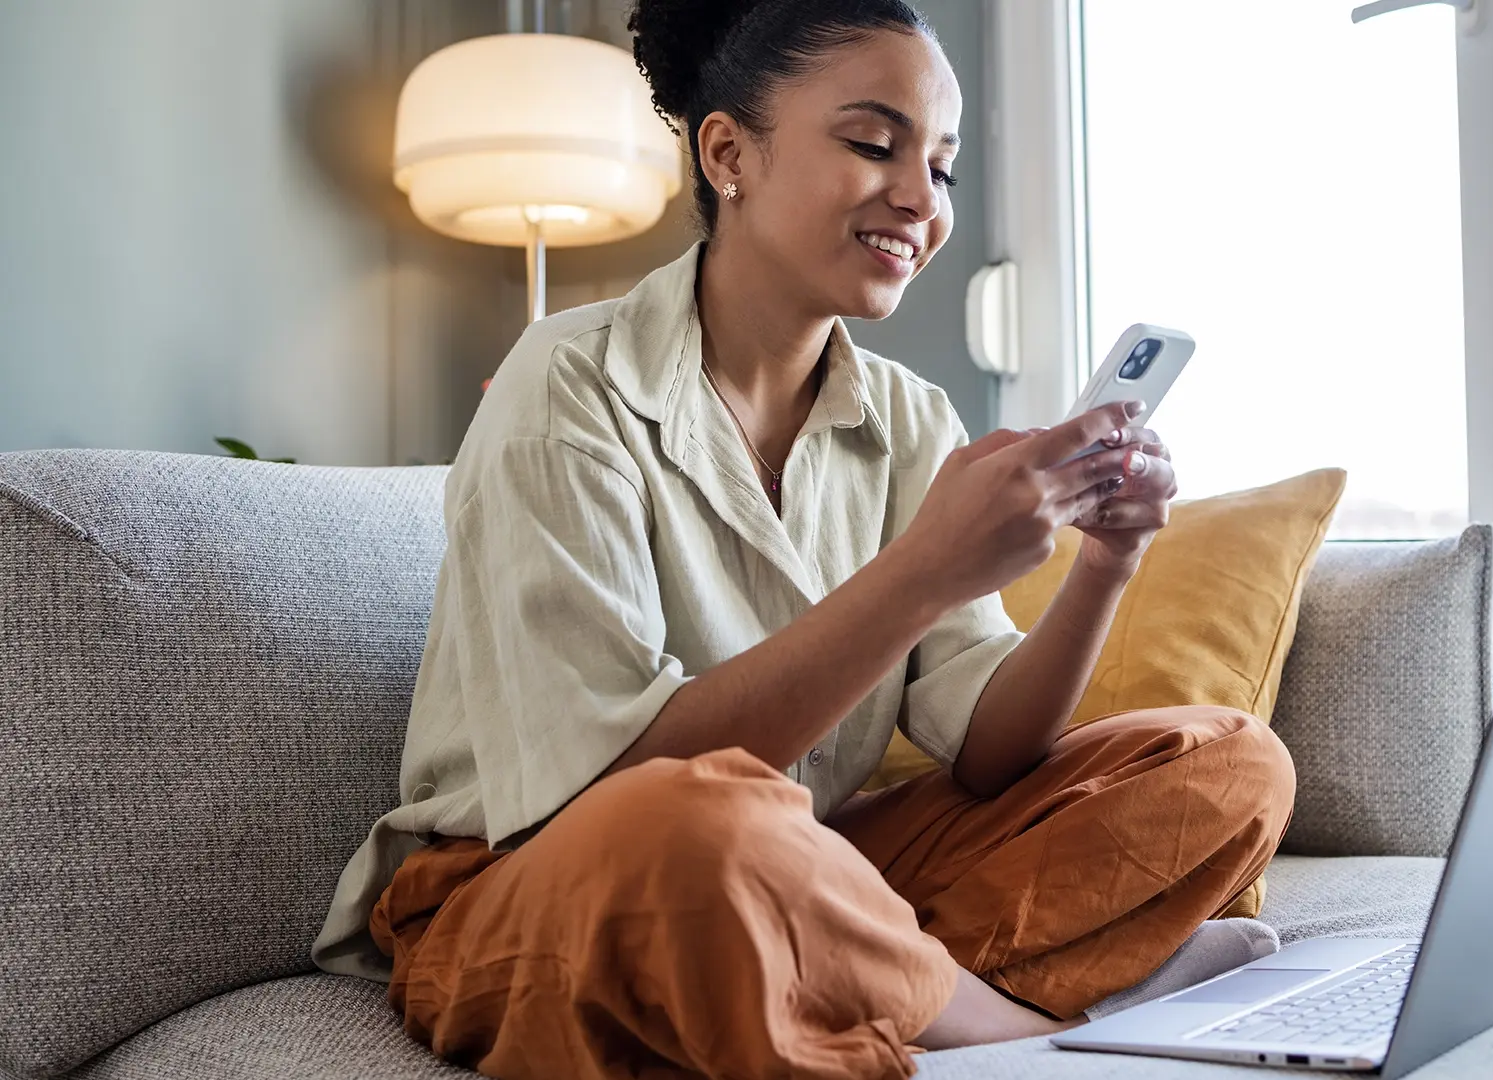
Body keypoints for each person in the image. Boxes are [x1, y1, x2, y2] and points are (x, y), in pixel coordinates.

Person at [308, 1, 1297, 1076]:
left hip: (802, 862)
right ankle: (1022, 1026)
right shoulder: (569, 386)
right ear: (728, 151)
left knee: (1227, 762)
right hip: (543, 883)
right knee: (702, 833)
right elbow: (610, 793)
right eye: (874, 145)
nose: (921, 198)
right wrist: (921, 574)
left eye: (944, 166)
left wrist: (1109, 561)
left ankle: (847, 977)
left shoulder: (911, 420)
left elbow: (992, 749)